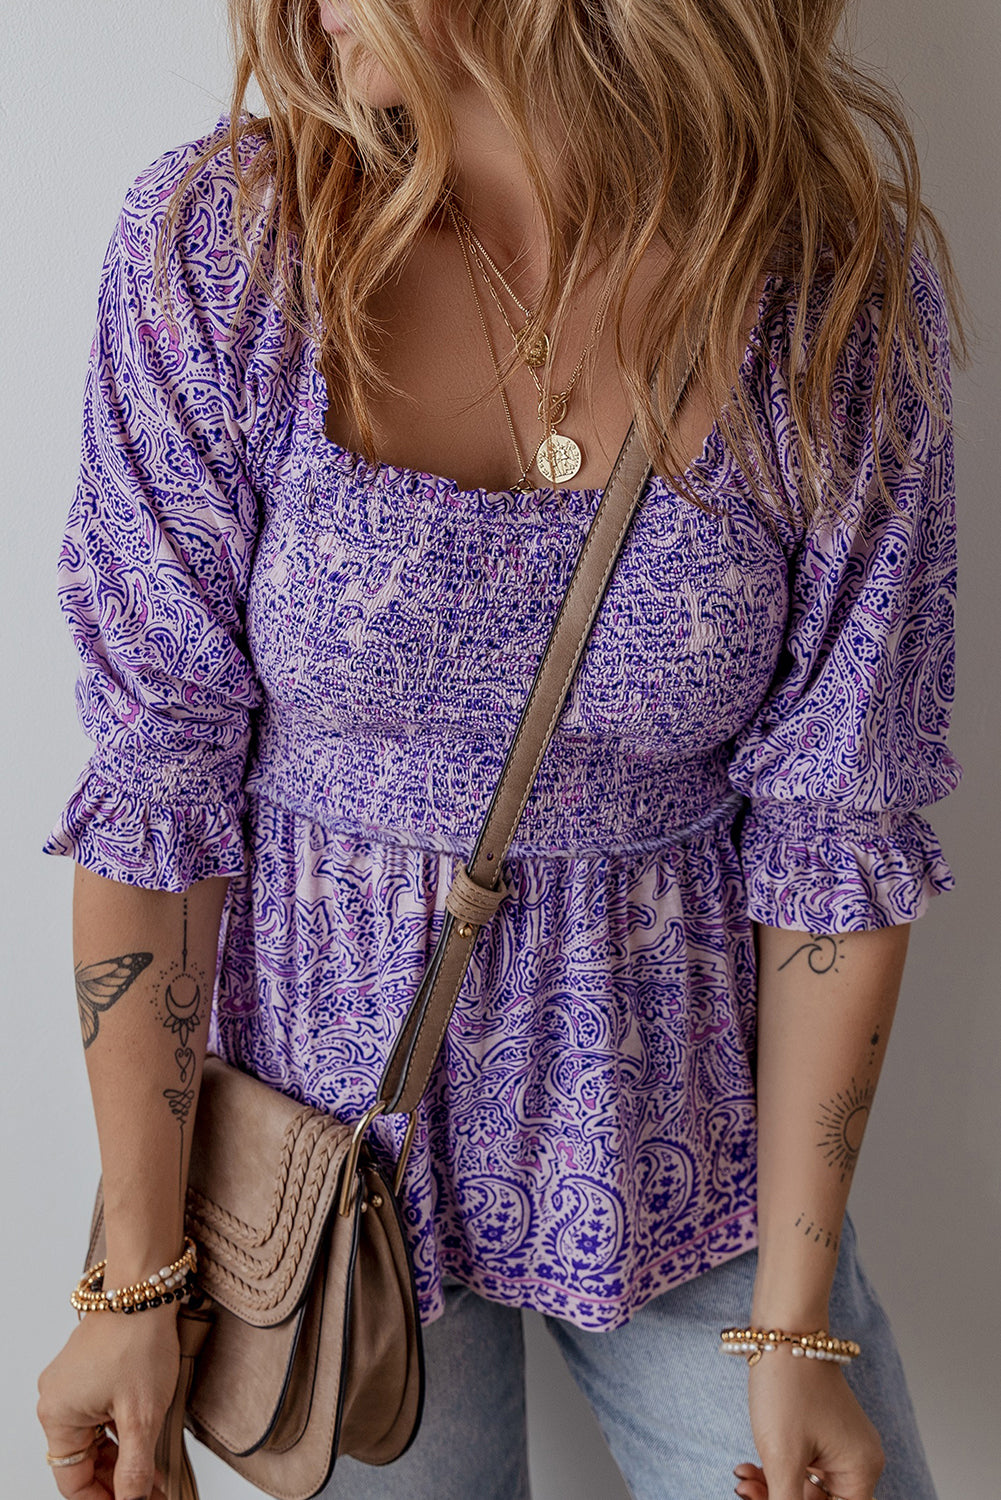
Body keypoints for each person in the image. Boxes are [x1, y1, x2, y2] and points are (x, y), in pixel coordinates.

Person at [36, 1, 964, 1497]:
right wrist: (134, 1285)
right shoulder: (231, 252)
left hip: (693, 1161)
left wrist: (797, 1325)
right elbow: (159, 787)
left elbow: (835, 833)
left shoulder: (822, 297)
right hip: (320, 1173)